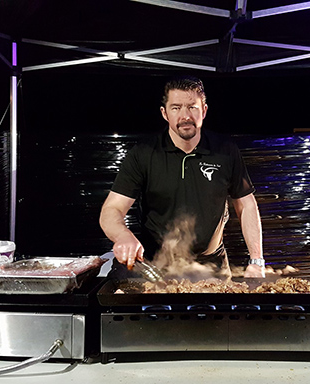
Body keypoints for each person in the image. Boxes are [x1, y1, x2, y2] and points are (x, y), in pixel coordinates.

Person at [99, 76, 264, 278]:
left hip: (212, 267)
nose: (185, 115)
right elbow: (111, 209)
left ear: (204, 110)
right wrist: (123, 236)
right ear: (164, 113)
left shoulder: (226, 151)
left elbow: (246, 205)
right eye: (176, 108)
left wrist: (256, 261)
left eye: (192, 107)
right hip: (156, 267)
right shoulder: (143, 153)